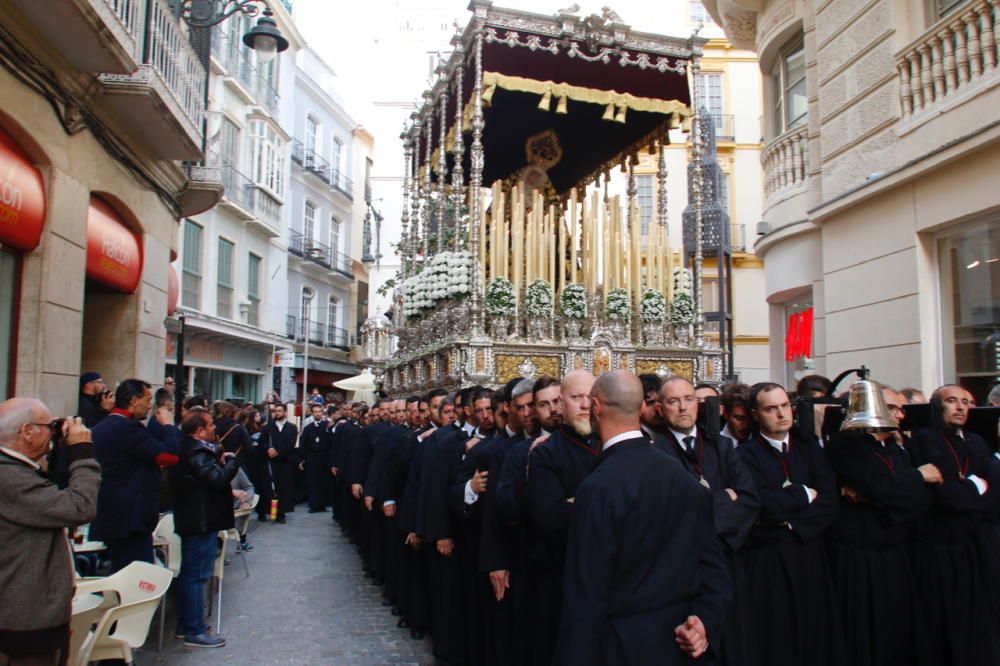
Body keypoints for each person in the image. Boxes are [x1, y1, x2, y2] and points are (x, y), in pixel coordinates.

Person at [556, 370, 730, 666]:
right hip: (682, 642)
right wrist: (704, 622)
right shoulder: (684, 477)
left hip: (621, 646)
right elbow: (714, 565)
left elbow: (587, 592)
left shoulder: (598, 488)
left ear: (596, 408)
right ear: (640, 408)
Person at [737, 382, 846, 666]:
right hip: (769, 559)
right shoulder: (744, 454)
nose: (781, 414)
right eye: (771, 409)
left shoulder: (809, 448)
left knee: (815, 633)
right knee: (777, 635)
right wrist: (802, 494)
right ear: (756, 414)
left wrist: (791, 524)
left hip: (809, 553)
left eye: (784, 406)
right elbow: (763, 505)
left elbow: (829, 499)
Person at [655, 376, 760, 666]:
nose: (682, 407)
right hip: (683, 568)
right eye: (673, 401)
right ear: (661, 408)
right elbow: (672, 509)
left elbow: (750, 500)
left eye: (688, 399)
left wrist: (706, 516)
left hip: (727, 557)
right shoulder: (654, 450)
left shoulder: (722, 447)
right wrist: (724, 498)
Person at [825, 419, 940, 666]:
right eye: (892, 408)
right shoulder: (846, 445)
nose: (899, 416)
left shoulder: (897, 450)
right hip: (859, 556)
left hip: (895, 550)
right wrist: (917, 476)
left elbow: (923, 499)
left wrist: (882, 501)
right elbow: (879, 487)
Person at [0, 399, 99, 665]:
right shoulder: (9, 478)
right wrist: (82, 452)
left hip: (26, 617)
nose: (53, 433)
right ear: (27, 432)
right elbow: (80, 507)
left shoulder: (17, 471)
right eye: (49, 426)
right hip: (24, 626)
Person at [908, 384, 998, 666]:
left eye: (966, 402)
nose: (960, 407)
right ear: (937, 406)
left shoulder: (976, 441)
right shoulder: (925, 440)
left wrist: (965, 490)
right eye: (951, 401)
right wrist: (974, 487)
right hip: (939, 547)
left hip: (973, 544)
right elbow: (947, 497)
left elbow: (995, 492)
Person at [527, 369, 599, 666]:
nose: (584, 404)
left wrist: (576, 503)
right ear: (561, 404)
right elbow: (552, 518)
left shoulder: (615, 444)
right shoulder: (546, 453)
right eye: (575, 397)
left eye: (589, 397)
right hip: (562, 578)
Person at [91, 378, 180, 572]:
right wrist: (168, 425)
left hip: (112, 514)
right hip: (130, 518)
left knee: (121, 571)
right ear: (133, 400)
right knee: (139, 578)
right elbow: (170, 456)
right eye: (147, 400)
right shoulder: (128, 429)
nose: (150, 406)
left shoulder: (101, 428)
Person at [170, 410, 240, 648]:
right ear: (199, 430)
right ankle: (194, 629)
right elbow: (216, 478)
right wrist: (232, 462)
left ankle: (187, 623)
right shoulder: (197, 450)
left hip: (195, 519)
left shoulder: (190, 448)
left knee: (191, 573)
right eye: (210, 425)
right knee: (197, 575)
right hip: (200, 521)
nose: (214, 428)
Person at [259, 403, 298, 524]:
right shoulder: (267, 427)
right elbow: (262, 442)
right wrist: (268, 449)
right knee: (271, 487)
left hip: (285, 462)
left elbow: (290, 444)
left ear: (286, 413)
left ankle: (281, 513)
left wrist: (278, 452)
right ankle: (270, 511)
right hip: (271, 463)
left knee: (284, 488)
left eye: (280, 411)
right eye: (275, 411)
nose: (277, 413)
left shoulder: (292, 427)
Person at [301, 403, 332, 513]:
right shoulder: (308, 428)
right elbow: (303, 444)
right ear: (312, 413)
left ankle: (323, 504)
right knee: (313, 481)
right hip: (312, 457)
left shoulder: (328, 425)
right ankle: (313, 505)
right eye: (315, 412)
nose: (318, 414)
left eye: (319, 411)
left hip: (324, 457)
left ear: (322, 412)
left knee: (323, 481)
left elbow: (331, 442)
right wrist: (304, 458)